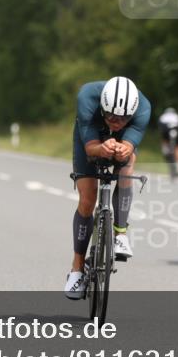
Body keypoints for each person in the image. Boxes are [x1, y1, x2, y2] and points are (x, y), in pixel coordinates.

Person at [64, 76, 151, 300]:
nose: (115, 121)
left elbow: (129, 144)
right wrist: (100, 148)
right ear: (103, 106)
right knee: (87, 199)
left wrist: (124, 148)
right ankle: (77, 269)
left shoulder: (143, 108)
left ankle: (120, 232)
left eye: (122, 118)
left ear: (132, 114)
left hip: (121, 140)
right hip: (91, 131)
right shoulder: (87, 98)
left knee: (127, 164)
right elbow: (91, 148)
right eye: (111, 115)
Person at [157, 107, 178, 177]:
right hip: (176, 131)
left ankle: (165, 149)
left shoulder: (163, 117)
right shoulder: (177, 116)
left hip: (166, 132)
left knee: (164, 140)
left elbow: (160, 127)